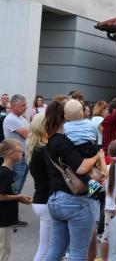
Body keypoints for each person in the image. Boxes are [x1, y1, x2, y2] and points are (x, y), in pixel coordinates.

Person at [44, 100, 105, 261]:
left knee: (55, 251)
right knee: (78, 254)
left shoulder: (51, 141)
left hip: (55, 200)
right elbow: (81, 168)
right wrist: (97, 156)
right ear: (64, 116)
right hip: (75, 201)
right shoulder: (65, 142)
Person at [0, 139, 33, 261]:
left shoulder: (9, 171)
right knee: (4, 252)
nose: (22, 154)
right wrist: (18, 197)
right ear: (11, 154)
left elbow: (8, 193)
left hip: (7, 219)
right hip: (3, 220)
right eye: (19, 151)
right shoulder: (5, 173)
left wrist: (19, 199)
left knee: (5, 250)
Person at [27, 113, 52, 261]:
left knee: (47, 248)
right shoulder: (43, 150)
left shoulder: (34, 149)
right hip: (46, 201)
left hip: (41, 199)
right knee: (45, 249)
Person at [2, 94, 30, 226]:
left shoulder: (21, 118)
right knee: (14, 188)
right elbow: (28, 134)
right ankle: (11, 218)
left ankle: (12, 217)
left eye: (25, 105)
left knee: (17, 188)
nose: (25, 107)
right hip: (17, 158)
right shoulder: (11, 119)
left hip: (23, 156)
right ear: (14, 106)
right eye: (23, 105)